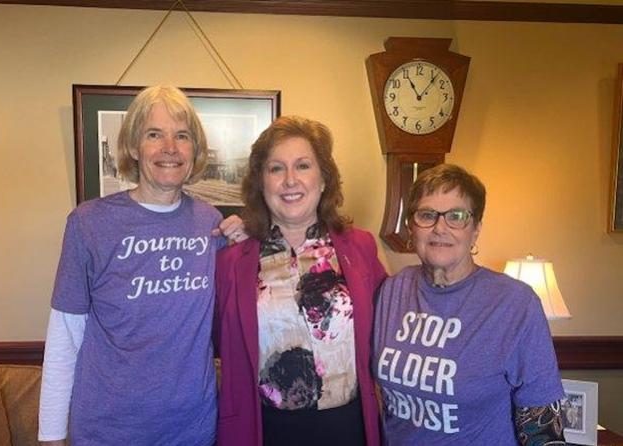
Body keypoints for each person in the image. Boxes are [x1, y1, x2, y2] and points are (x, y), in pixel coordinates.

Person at [38, 85, 245, 445]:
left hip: (192, 428)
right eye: (154, 134)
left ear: (194, 149)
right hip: (108, 430)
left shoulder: (209, 221)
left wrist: (247, 242)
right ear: (134, 146)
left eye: (182, 136)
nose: (170, 148)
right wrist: (51, 434)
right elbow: (64, 335)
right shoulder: (89, 224)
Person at [213, 116, 387, 446]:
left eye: (303, 166)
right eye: (276, 169)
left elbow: (391, 324)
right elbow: (216, 340)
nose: (290, 180)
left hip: (347, 428)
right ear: (261, 184)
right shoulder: (230, 261)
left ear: (323, 180)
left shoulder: (360, 247)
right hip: (263, 429)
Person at [373, 163, 565, 446]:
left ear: (476, 230)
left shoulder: (516, 304)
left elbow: (543, 428)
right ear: (411, 227)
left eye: (457, 216)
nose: (440, 228)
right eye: (427, 215)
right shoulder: (392, 290)